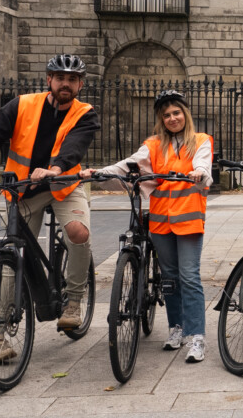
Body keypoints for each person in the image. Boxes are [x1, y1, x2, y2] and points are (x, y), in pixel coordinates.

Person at [0, 54, 100, 360]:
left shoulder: (86, 113)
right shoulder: (21, 105)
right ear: (49, 81)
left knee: (78, 232)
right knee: (13, 253)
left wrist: (54, 169)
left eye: (71, 79)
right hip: (24, 190)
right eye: (59, 78)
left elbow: (74, 148)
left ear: (79, 84)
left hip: (64, 184)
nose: (65, 84)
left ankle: (74, 300)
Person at [81, 90, 213, 363]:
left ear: (185, 114)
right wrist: (98, 173)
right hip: (160, 221)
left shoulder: (200, 141)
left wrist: (199, 173)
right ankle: (177, 328)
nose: (172, 118)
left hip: (188, 220)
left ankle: (197, 336)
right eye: (166, 115)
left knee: (189, 277)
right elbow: (128, 165)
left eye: (176, 112)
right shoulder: (153, 145)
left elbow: (203, 165)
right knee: (169, 278)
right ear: (161, 120)